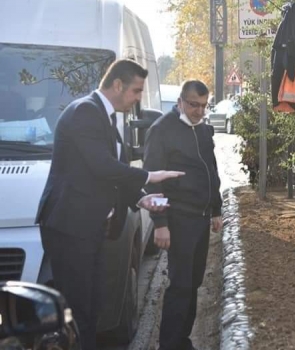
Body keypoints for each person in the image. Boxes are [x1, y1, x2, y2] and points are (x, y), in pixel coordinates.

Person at [35, 59, 184, 350]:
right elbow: (102, 167)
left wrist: (141, 197)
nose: (139, 98)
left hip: (89, 228)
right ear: (117, 84)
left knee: (91, 307)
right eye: (136, 91)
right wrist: (150, 175)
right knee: (78, 310)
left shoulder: (105, 114)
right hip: (70, 227)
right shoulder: (85, 113)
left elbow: (113, 171)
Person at [144, 80, 223, 350]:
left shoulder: (203, 129)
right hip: (178, 219)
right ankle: (169, 344)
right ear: (180, 101)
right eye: (193, 105)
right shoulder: (161, 130)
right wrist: (161, 223)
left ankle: (182, 340)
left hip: (201, 219)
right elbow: (152, 181)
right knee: (180, 285)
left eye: (203, 105)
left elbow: (211, 171)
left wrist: (216, 209)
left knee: (194, 283)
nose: (199, 111)